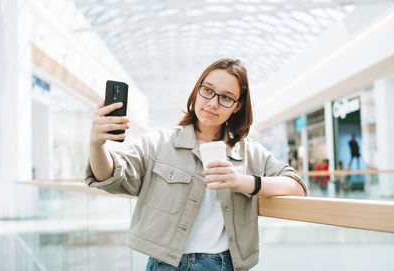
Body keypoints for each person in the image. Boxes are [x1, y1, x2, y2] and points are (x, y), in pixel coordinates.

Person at [85, 58, 307, 271]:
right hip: (167, 265)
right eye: (208, 90)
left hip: (226, 265)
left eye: (226, 97)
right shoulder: (158, 143)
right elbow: (110, 176)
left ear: (237, 106)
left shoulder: (249, 152)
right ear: (197, 90)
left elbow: (296, 187)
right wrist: (96, 143)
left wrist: (243, 182)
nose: (212, 103)